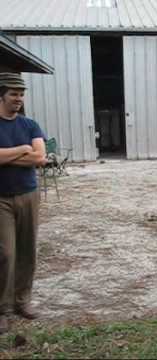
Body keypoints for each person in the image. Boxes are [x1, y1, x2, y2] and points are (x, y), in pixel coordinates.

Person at [0, 73, 47, 334]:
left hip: (28, 194)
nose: (18, 99)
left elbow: (40, 158)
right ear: (2, 95)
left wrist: (7, 156)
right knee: (5, 254)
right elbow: (31, 154)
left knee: (28, 250)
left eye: (21, 94)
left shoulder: (30, 124)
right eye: (13, 94)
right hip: (1, 198)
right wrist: (22, 150)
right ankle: (3, 309)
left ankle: (22, 301)